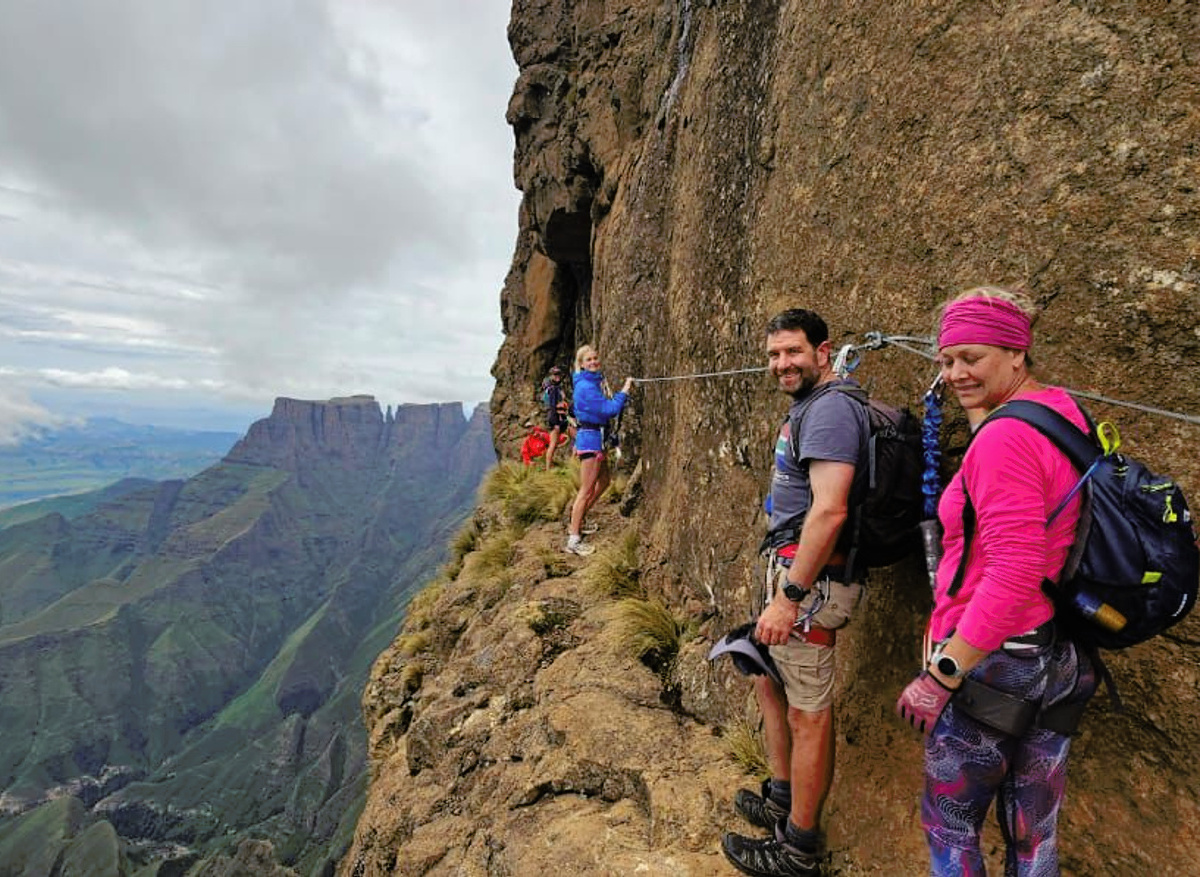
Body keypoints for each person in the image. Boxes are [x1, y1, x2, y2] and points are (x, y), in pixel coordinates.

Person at [895, 286, 1097, 876]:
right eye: (946, 360)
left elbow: (1012, 571)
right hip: (1056, 653)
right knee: (1032, 833)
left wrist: (944, 671)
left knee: (951, 825)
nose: (956, 373)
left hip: (995, 662)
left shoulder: (1004, 439)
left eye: (972, 358)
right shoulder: (1059, 412)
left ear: (1016, 352)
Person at [722, 308, 870, 877]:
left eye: (793, 352)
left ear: (822, 352)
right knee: (768, 678)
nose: (782, 364)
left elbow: (830, 511)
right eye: (774, 354)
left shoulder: (830, 410)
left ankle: (797, 850)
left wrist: (788, 599)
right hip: (793, 574)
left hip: (811, 587)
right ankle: (782, 798)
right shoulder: (810, 405)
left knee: (809, 713)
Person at [565, 344, 632, 556]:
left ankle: (578, 520)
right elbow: (609, 409)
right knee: (585, 491)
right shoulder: (586, 387)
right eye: (589, 360)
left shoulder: (590, 382)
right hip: (591, 440)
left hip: (595, 438)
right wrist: (625, 390)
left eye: (595, 358)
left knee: (604, 482)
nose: (594, 362)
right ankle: (573, 539)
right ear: (581, 364)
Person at [542, 365, 573, 470]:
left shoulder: (553, 388)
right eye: (555, 374)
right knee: (553, 444)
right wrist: (556, 423)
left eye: (559, 374)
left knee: (554, 444)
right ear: (551, 376)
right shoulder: (554, 389)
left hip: (558, 419)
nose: (557, 376)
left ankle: (549, 466)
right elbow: (552, 406)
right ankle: (548, 468)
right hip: (555, 420)